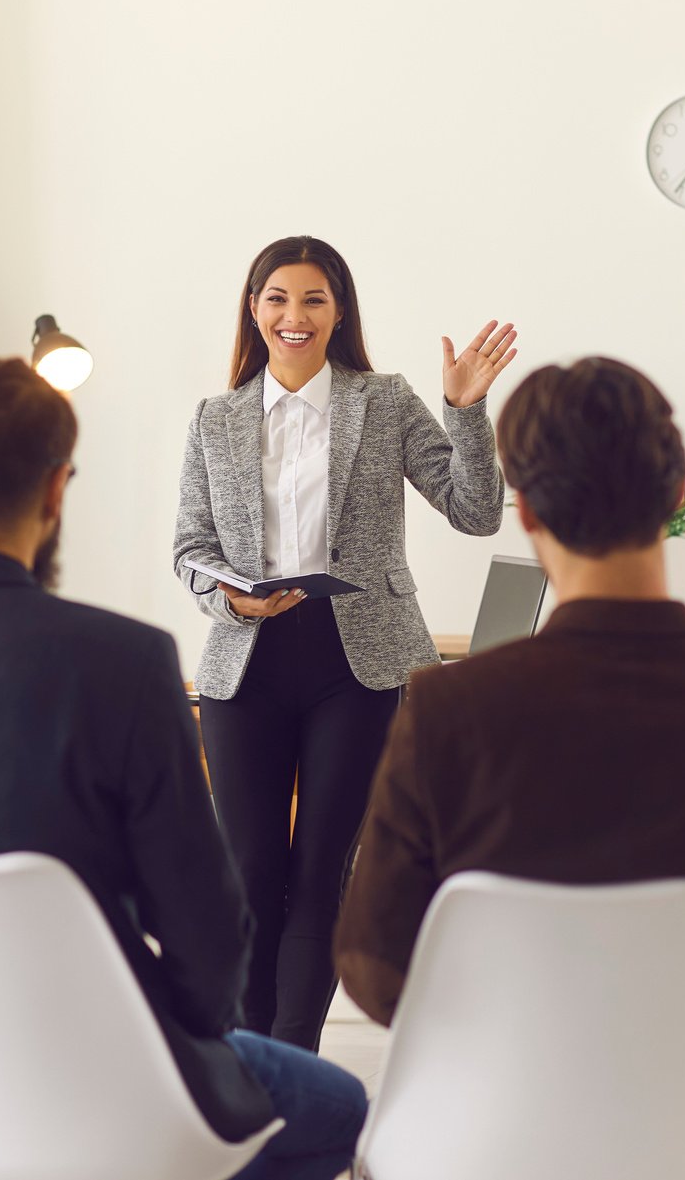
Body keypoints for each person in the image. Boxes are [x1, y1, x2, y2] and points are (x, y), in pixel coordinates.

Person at [0, 358, 367, 1180]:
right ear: (57, 489)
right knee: (342, 1107)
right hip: (102, 1081)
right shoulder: (123, 662)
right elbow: (207, 940)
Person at [334, 356, 685, 1079]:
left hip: (491, 1121)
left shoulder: (447, 711)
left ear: (527, 511)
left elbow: (373, 969)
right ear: (677, 494)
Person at [173, 234, 517, 1050]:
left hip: (356, 662)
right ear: (254, 309)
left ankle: (294, 1059)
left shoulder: (384, 399)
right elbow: (188, 544)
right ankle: (246, 1061)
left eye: (313, 300)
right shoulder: (215, 418)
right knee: (249, 873)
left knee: (320, 873)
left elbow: (475, 511)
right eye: (278, 299)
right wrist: (221, 592)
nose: (294, 316)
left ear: (339, 312)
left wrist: (464, 410)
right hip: (246, 659)